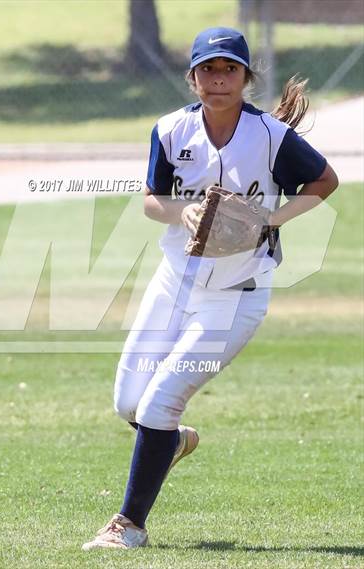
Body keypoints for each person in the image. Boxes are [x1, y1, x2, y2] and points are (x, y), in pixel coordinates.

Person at [82, 26, 338, 550]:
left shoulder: (269, 134)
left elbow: (324, 181)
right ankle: (172, 443)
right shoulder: (171, 129)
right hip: (174, 281)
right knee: (128, 402)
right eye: (208, 69)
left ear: (246, 77)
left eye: (229, 70)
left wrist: (273, 219)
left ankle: (129, 526)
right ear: (192, 77)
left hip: (235, 295)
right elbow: (153, 200)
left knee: (157, 405)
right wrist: (186, 208)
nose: (218, 79)